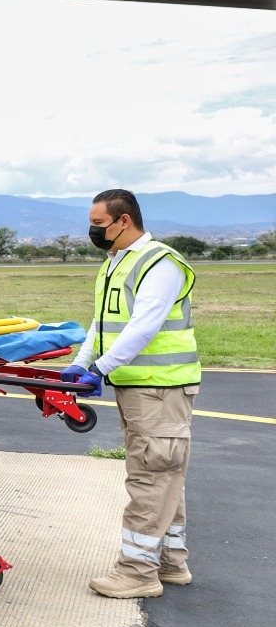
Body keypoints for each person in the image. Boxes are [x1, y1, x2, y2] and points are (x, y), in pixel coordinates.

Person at [61, 189, 200, 599]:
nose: (92, 231)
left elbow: (144, 326)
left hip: (161, 387)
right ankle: (170, 562)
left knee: (151, 477)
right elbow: (100, 324)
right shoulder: (115, 264)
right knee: (163, 475)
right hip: (138, 386)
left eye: (99, 224)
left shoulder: (159, 263)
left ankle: (138, 573)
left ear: (124, 221)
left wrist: (101, 368)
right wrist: (81, 363)